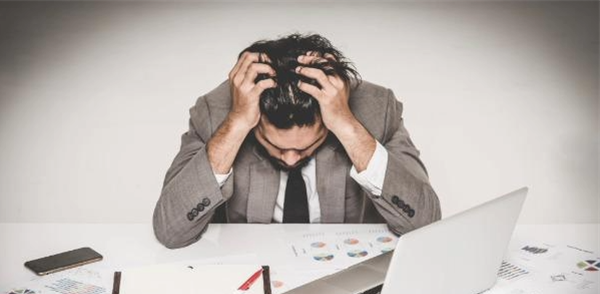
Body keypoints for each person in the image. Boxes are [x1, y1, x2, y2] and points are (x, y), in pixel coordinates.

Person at [153, 33, 441, 249]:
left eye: (306, 147)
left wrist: (347, 126)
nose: (290, 159)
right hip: (248, 278)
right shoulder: (216, 114)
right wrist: (236, 125)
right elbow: (170, 232)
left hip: (345, 272)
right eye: (275, 146)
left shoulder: (378, 110)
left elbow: (425, 225)